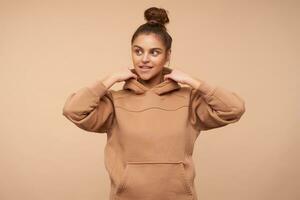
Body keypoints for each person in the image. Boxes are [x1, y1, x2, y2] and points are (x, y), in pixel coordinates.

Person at [62, 6, 246, 200]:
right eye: (138, 51)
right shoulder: (115, 101)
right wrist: (110, 79)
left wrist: (194, 82)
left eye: (155, 52)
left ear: (167, 56)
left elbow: (234, 108)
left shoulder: (189, 99)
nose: (144, 60)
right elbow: (73, 110)